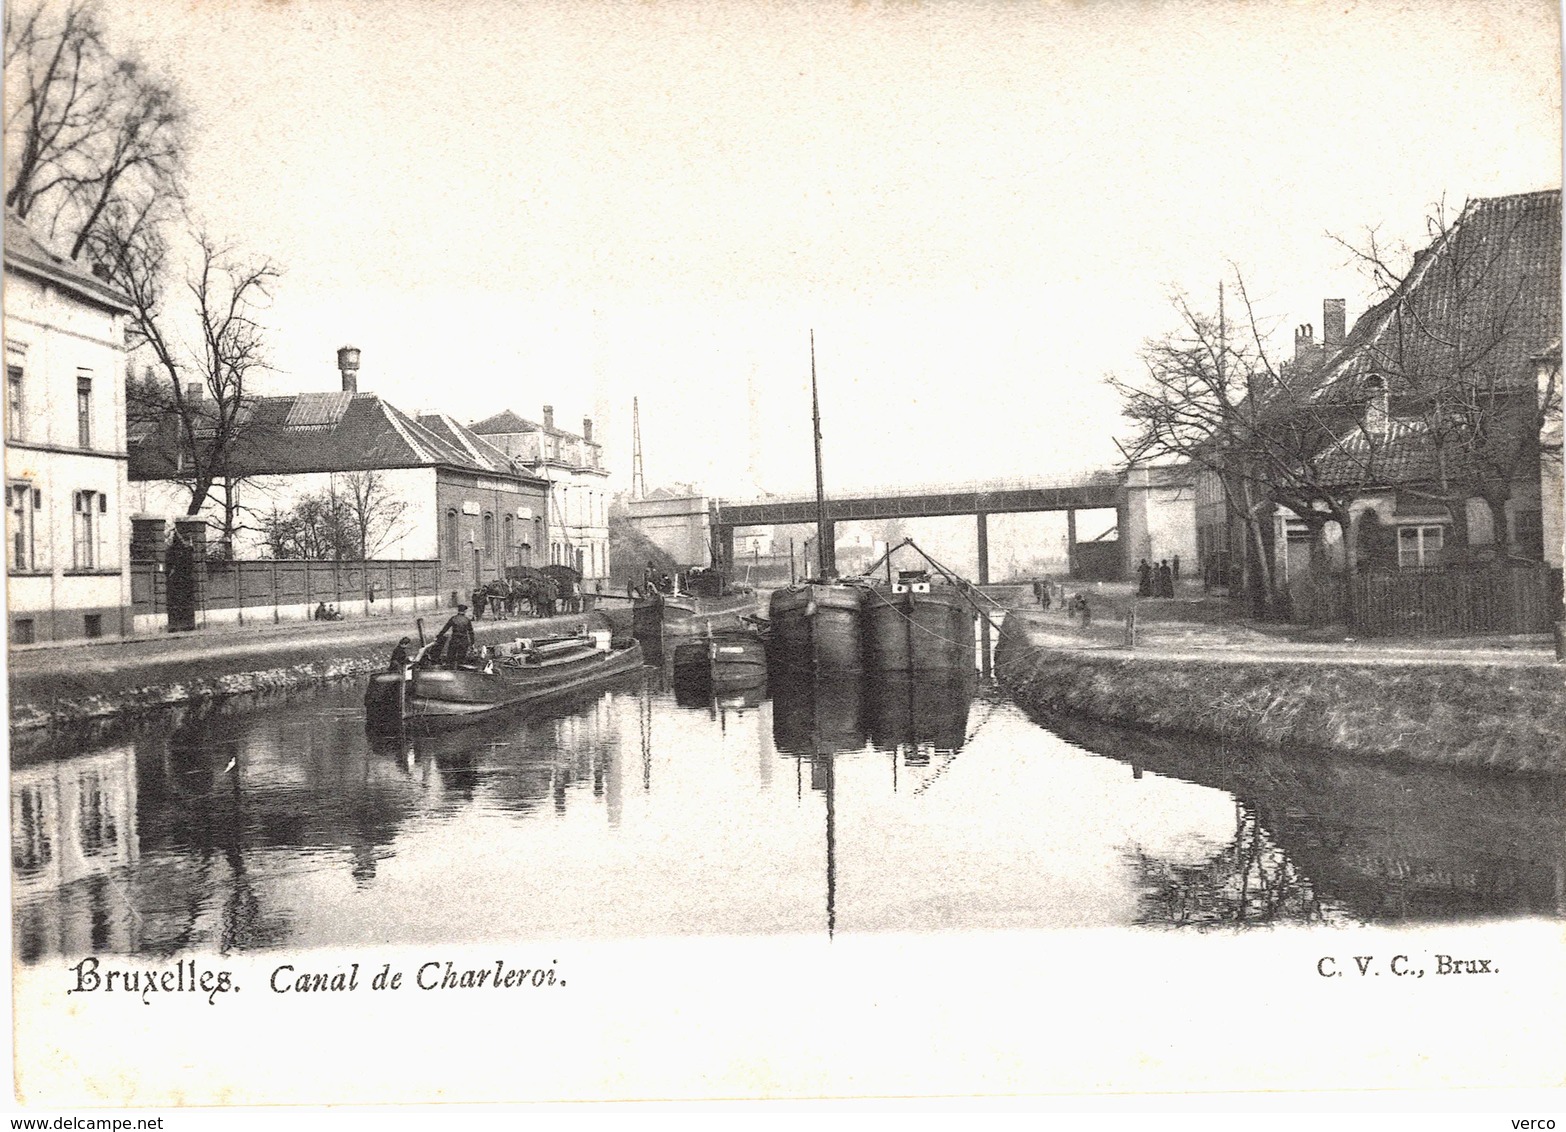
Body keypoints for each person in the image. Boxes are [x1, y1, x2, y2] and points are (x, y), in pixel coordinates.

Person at [437, 604, 475, 668]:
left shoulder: (453, 618)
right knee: (461, 659)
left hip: (454, 640)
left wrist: (438, 636)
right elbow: (471, 632)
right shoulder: (467, 620)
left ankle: (450, 670)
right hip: (464, 640)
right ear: (465, 611)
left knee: (450, 657)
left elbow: (445, 628)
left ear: (458, 610)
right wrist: (472, 643)